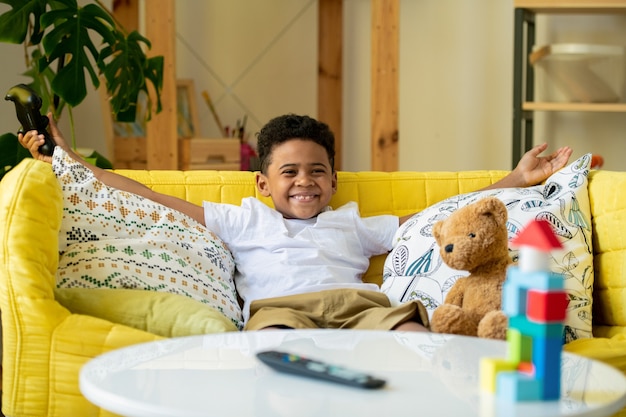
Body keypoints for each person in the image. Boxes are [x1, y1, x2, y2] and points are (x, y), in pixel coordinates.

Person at [20, 113, 572, 332]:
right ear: (263, 184)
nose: (304, 182)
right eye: (289, 173)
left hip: (361, 307)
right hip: (277, 313)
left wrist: (513, 179)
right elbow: (149, 197)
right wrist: (72, 161)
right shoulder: (242, 220)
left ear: (333, 182)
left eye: (317, 172)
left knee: (412, 337)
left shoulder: (352, 222)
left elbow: (435, 217)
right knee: (270, 362)